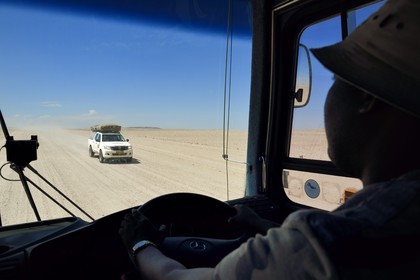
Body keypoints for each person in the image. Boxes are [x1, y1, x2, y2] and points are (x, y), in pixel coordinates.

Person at [119, 0, 420, 278]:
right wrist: (261, 225)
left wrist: (141, 243)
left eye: (335, 80)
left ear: (366, 98)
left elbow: (177, 277)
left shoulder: (330, 242)